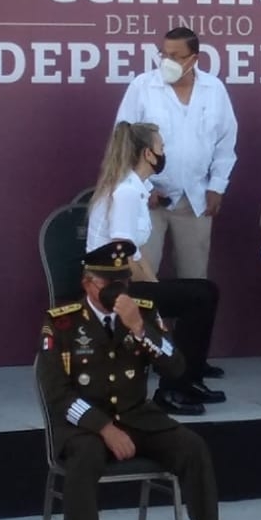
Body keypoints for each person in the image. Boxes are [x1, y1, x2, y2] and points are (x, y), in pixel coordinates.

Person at [36, 240, 245, 520]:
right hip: (84, 423)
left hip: (137, 415)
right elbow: (56, 394)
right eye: (109, 284)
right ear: (89, 283)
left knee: (193, 448)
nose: (118, 292)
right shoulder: (63, 322)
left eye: (123, 284)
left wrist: (140, 329)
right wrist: (104, 428)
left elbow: (176, 367)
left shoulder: (143, 313)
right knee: (84, 457)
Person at [85, 122, 224, 415]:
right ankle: (171, 389)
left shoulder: (138, 189)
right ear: (148, 154)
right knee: (197, 298)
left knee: (206, 290)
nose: (164, 153)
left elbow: (135, 253)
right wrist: (152, 297)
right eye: (161, 148)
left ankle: (190, 379)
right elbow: (121, 256)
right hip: (109, 287)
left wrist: (155, 288)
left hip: (124, 280)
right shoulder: (124, 192)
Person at [113, 27, 238, 284]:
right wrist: (143, 186)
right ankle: (144, 326)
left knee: (194, 279)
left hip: (196, 197)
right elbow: (123, 140)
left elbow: (226, 141)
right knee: (142, 277)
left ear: (194, 58)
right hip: (149, 198)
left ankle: (187, 326)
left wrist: (217, 186)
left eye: (176, 56)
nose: (168, 61)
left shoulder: (214, 89)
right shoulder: (143, 86)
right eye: (164, 54)